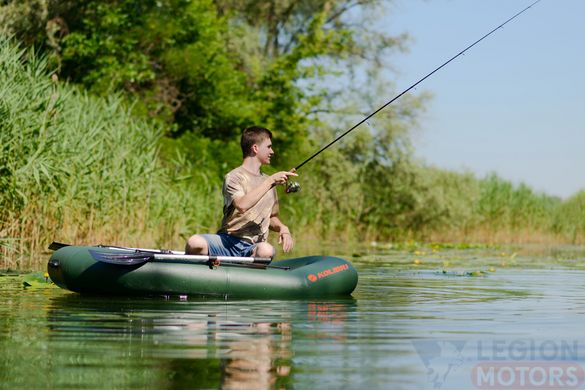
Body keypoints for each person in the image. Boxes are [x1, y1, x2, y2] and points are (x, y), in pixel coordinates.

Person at [185, 126, 297, 258]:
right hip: (227, 242)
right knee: (195, 242)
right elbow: (242, 205)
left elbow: (272, 218)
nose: (272, 151)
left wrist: (283, 228)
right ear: (255, 148)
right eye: (269, 147)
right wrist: (271, 181)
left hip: (254, 246)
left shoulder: (269, 182)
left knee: (266, 251)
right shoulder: (234, 177)